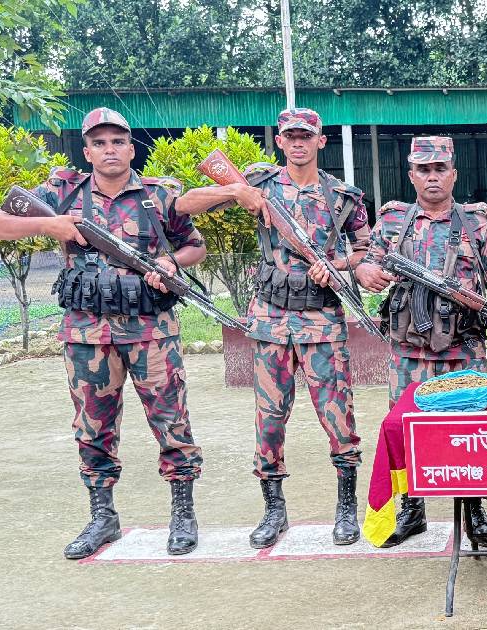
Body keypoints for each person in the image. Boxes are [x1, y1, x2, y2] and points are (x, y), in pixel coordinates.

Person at [0, 107, 206, 559]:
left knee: (170, 419)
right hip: (86, 334)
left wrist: (169, 262)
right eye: (99, 143)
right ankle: (103, 517)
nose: (109, 150)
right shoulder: (62, 192)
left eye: (117, 141)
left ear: (130, 147)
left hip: (150, 331)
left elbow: (195, 246)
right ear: (87, 151)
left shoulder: (158, 196)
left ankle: (183, 513)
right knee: (93, 427)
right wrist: (51, 223)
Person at [176, 108, 368, 548]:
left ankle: (345, 509)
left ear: (321, 141)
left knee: (338, 417)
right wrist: (240, 193)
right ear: (280, 142)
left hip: (322, 320)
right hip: (270, 318)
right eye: (290, 136)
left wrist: (338, 265)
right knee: (269, 420)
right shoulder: (260, 184)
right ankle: (273, 510)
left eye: (307, 136)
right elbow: (184, 205)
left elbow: (364, 249)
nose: (298, 142)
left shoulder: (343, 197)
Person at [354, 136, 487, 548]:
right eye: (424, 170)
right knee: (407, 426)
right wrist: (365, 273)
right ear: (412, 175)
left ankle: (474, 511)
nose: (433, 177)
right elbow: (368, 260)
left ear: (454, 174)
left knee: (474, 426)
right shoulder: (394, 219)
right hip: (409, 347)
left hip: (464, 346)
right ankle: (411, 512)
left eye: (440, 169)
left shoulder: (475, 221)